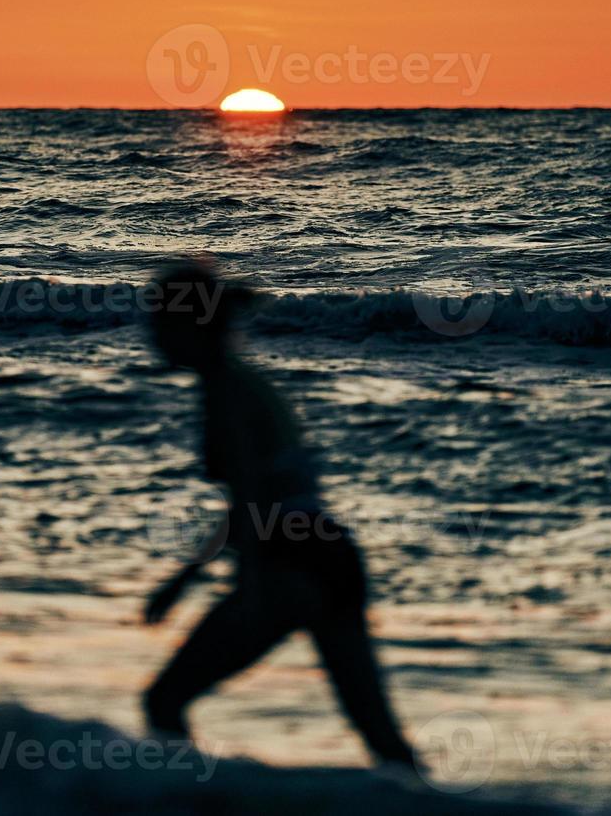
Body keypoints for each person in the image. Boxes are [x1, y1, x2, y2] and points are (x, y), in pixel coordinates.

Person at [140, 261, 419, 772]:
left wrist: (249, 587)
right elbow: (262, 495)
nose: (150, 333)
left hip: (290, 564)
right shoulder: (240, 383)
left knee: (163, 701)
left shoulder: (227, 391)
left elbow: (249, 500)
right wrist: (186, 578)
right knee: (381, 736)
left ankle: (181, 806)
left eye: (158, 319)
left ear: (189, 325)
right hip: (329, 556)